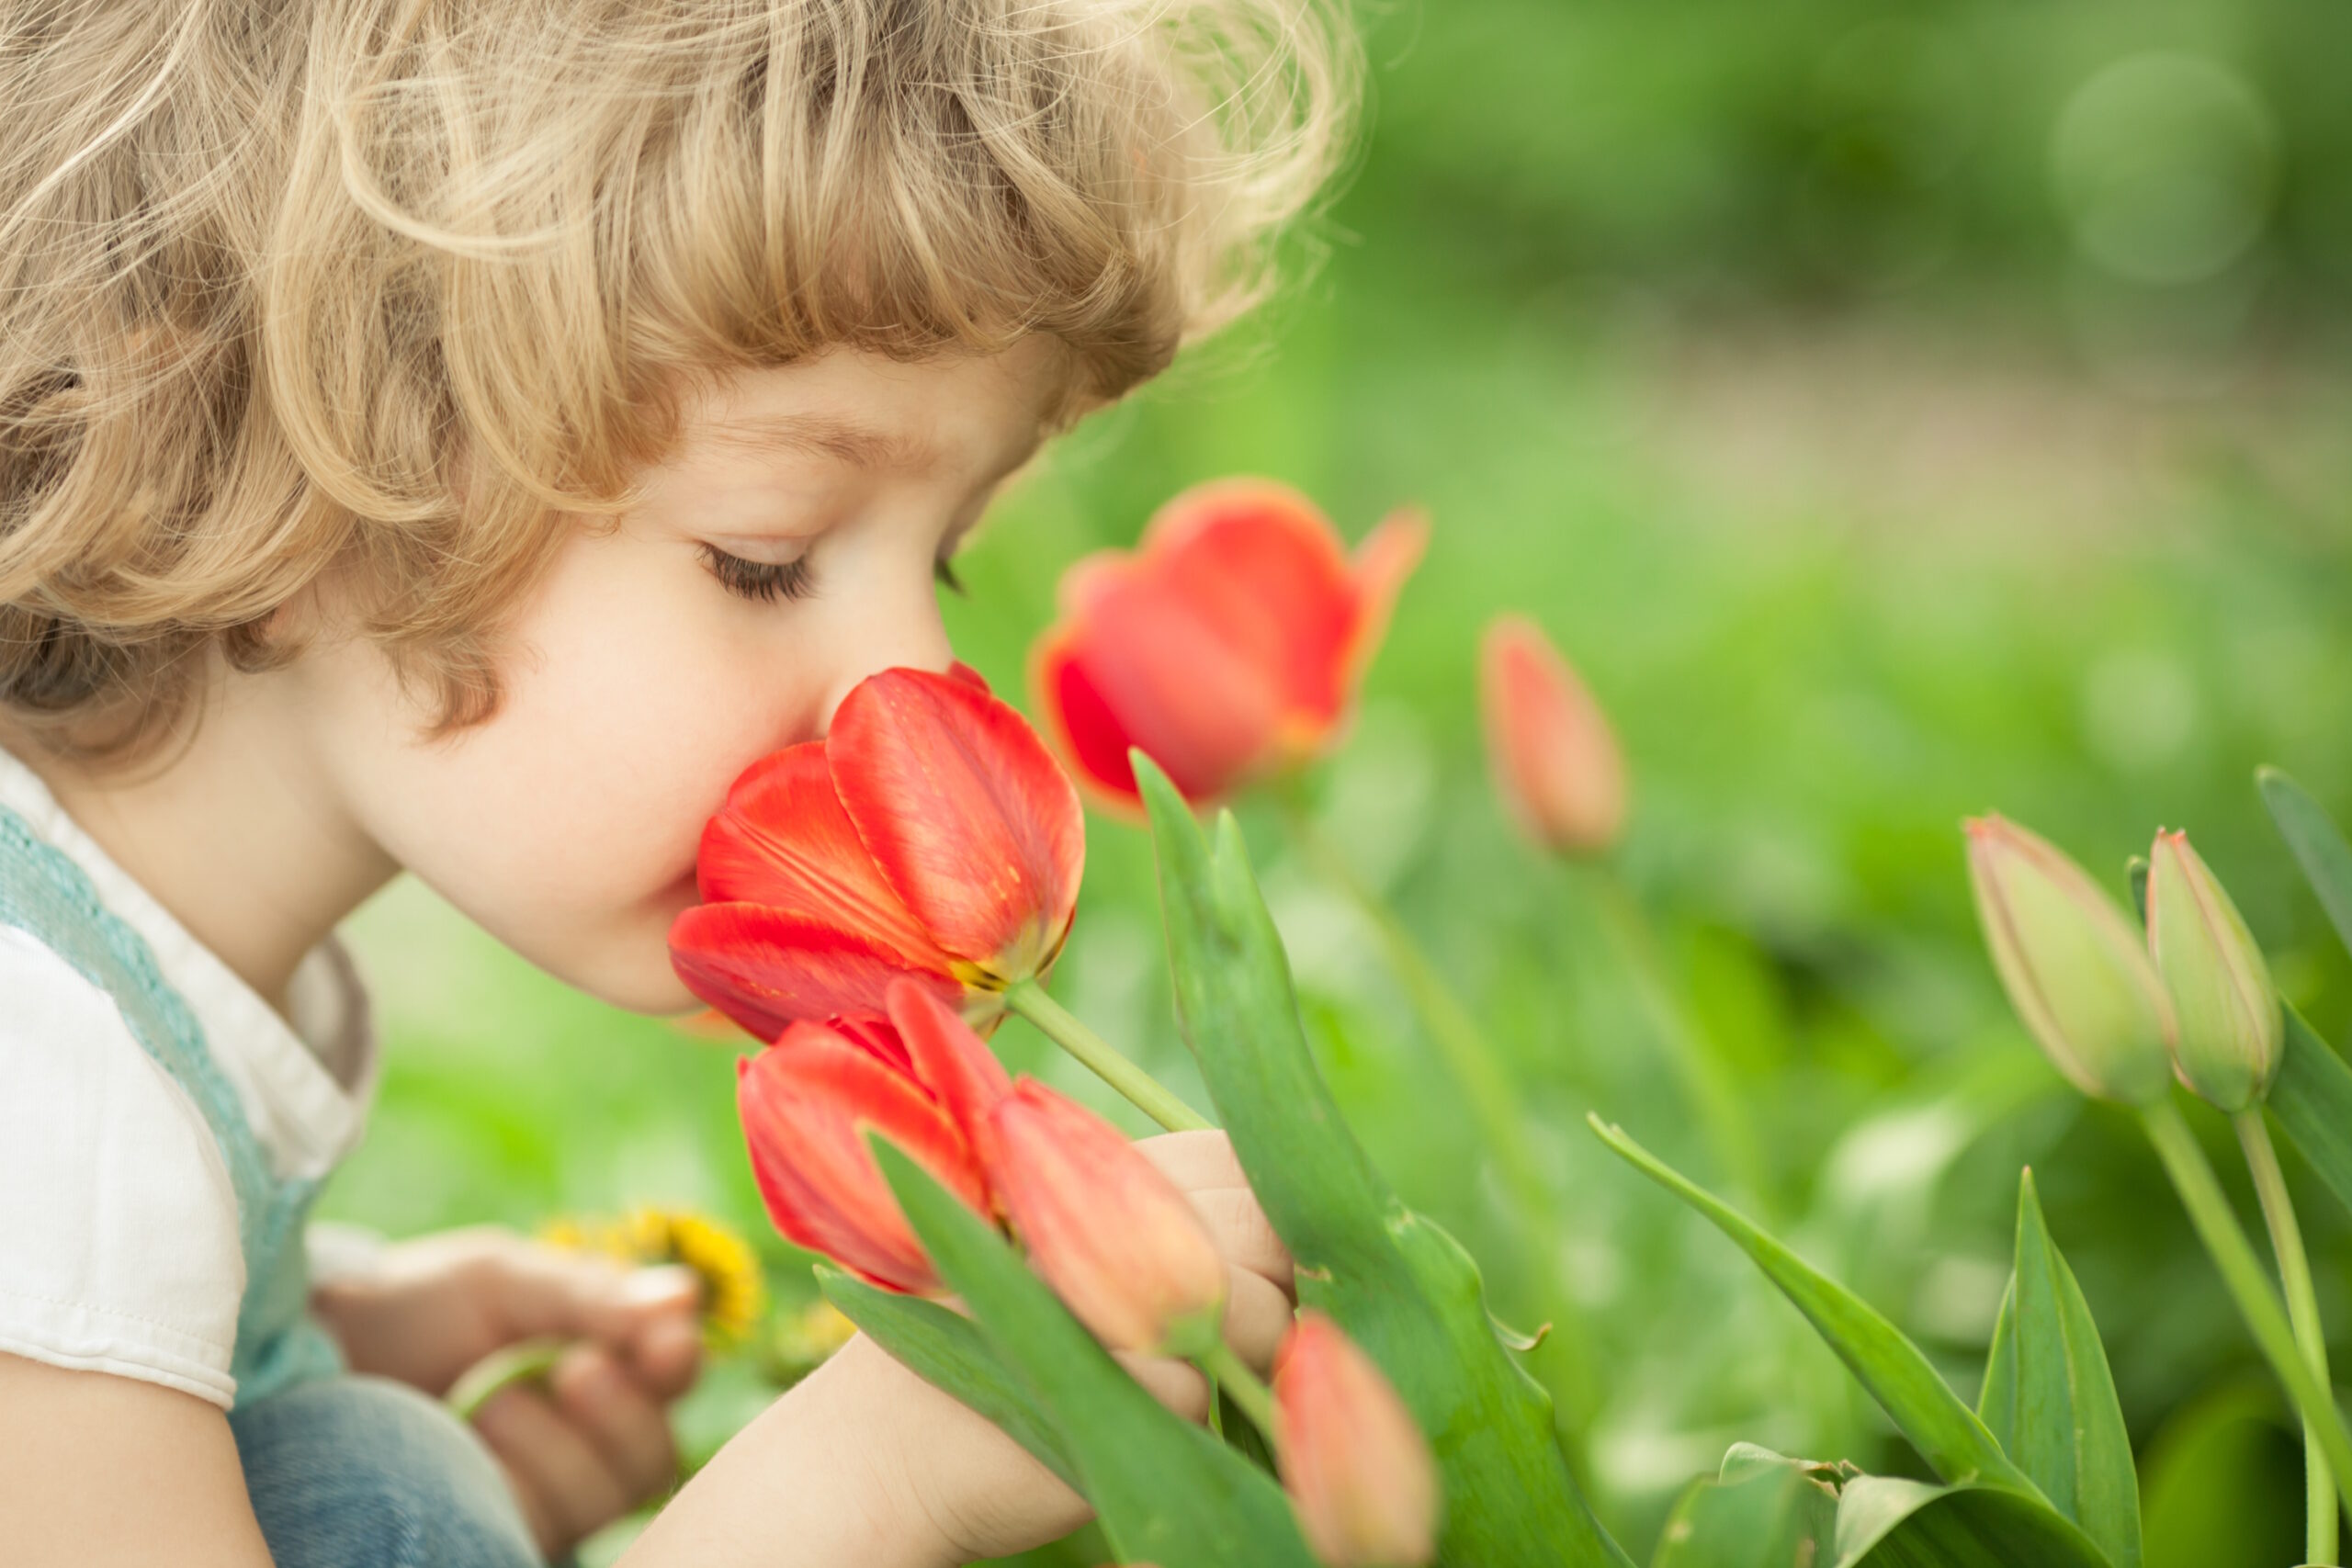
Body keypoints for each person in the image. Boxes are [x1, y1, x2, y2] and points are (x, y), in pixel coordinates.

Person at [0, 3, 1355, 1563]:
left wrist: (325, 1330)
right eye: (763, 559)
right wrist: (873, 1480)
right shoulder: (38, 1092)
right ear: (252, 451)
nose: (899, 692)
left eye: (949, 560)